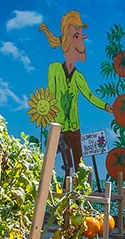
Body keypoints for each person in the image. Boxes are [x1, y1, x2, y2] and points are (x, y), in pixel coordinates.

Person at [39, 10, 105, 172]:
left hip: (74, 128)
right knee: (63, 165)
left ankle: (78, 195)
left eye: (81, 36)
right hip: (58, 127)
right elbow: (51, 95)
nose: (82, 40)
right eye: (77, 36)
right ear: (67, 41)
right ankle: (59, 192)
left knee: (79, 164)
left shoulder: (78, 77)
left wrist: (106, 106)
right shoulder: (54, 69)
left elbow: (89, 95)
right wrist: (46, 114)